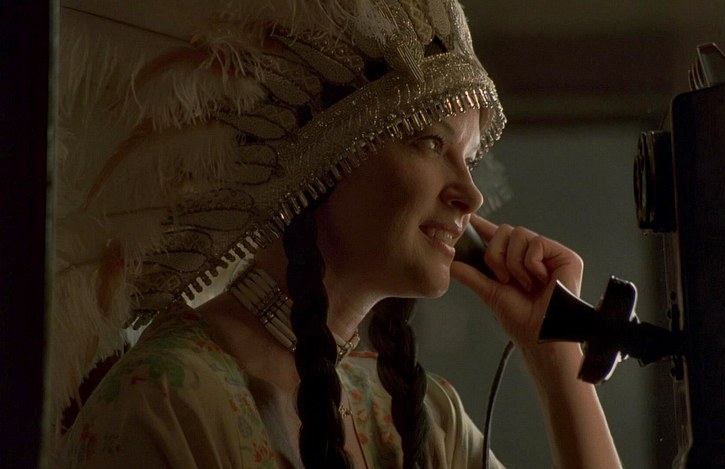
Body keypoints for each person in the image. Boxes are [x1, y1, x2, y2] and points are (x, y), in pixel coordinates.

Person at [50, 0, 622, 467]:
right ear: (327, 154)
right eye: (429, 142)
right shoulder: (165, 400)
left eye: (469, 159)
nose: (471, 196)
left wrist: (556, 357)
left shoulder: (425, 419)